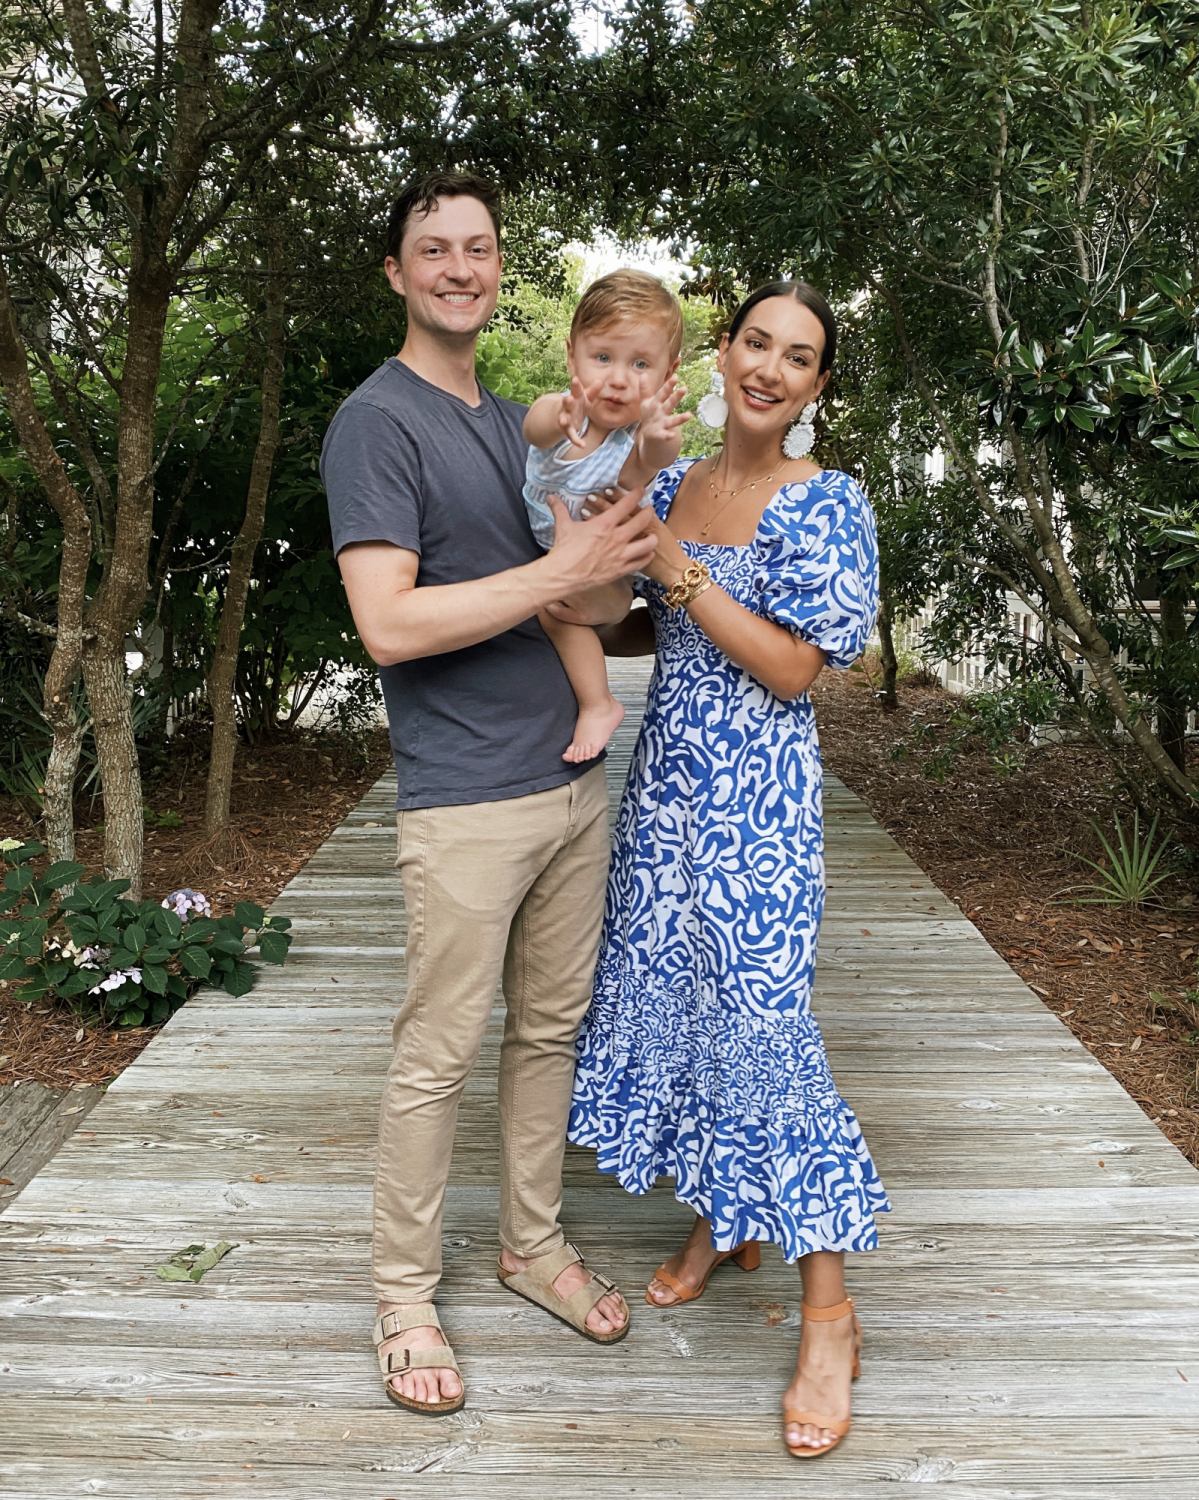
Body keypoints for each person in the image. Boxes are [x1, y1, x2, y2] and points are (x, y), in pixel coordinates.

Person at [321, 171, 656, 1416]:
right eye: (433, 250)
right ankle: (404, 1298)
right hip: (464, 797)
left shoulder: (517, 421)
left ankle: (529, 1245)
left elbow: (593, 605)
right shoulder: (378, 422)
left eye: (479, 249)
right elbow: (389, 625)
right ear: (398, 273)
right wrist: (559, 573)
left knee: (550, 1033)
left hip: (573, 780)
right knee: (437, 1054)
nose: (459, 267)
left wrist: (605, 567)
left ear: (498, 269)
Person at [564, 280, 889, 1458]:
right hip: (664, 797)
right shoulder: (672, 475)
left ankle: (828, 1315)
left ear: (812, 387)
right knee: (685, 1014)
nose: (769, 367)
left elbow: (796, 673)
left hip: (756, 809)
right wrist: (597, 553)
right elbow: (622, 618)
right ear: (724, 353)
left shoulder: (829, 502)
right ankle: (721, 1224)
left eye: (797, 357)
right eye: (756, 341)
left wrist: (686, 573)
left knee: (763, 1035)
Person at [522, 270, 689, 763]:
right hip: (564, 559)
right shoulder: (561, 413)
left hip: (608, 562)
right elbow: (534, 428)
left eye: (641, 364)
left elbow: (644, 466)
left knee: (552, 603)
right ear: (572, 354)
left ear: (666, 374)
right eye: (602, 358)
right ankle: (598, 701)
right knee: (551, 607)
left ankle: (598, 704)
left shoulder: (636, 438)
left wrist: (659, 435)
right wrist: (561, 415)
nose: (618, 379)